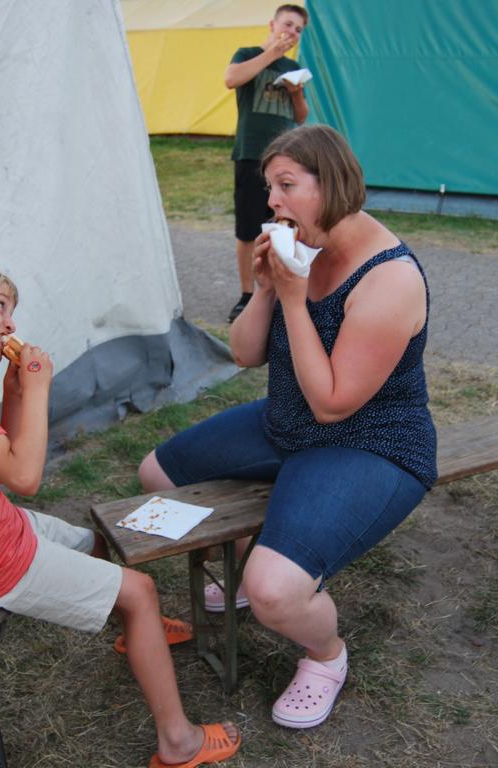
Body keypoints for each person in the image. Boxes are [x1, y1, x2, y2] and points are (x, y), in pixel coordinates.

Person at [138, 125, 437, 730]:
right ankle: (252, 571)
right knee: (157, 474)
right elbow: (245, 354)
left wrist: (297, 301)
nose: (271, 201)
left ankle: (326, 655)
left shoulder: (390, 279)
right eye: (269, 186)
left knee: (277, 591)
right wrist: (267, 290)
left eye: (286, 185)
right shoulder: (300, 248)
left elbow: (333, 404)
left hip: (370, 442)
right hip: (286, 422)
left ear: (333, 186)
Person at [0, 263, 240, 768]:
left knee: (92, 541)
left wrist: (15, 393)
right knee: (140, 592)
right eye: (0, 306)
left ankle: (136, 634)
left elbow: (0, 464)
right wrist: (39, 390)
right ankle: (178, 742)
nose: (10, 324)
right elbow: (25, 476)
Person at [224, 3, 310, 323]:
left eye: (298, 30)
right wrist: (271, 54)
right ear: (272, 25)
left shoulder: (293, 67)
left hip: (285, 160)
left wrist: (296, 93)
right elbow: (231, 79)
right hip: (251, 154)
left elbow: (300, 117)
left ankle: (276, 292)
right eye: (288, 25)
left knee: (283, 227)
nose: (292, 32)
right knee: (248, 229)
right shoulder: (247, 54)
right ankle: (247, 295)